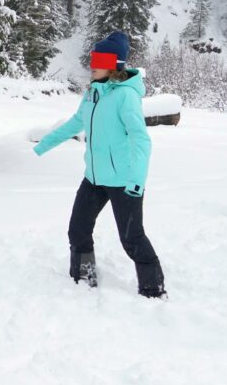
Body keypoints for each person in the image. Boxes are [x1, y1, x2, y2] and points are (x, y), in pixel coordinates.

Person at [33, 31, 166, 298]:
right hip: (93, 178)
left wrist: (137, 181)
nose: (92, 66)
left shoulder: (125, 97)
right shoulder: (93, 93)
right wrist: (43, 145)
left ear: (114, 65)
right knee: (78, 229)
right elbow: (75, 122)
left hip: (123, 181)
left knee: (132, 238)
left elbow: (141, 140)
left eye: (98, 61)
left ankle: (153, 289)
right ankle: (84, 276)